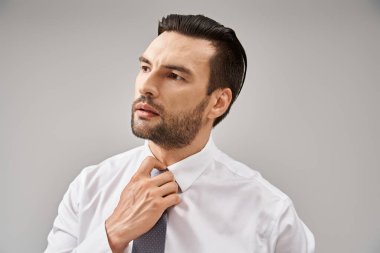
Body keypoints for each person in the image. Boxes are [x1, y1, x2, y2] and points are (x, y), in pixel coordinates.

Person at [44, 14, 315, 253]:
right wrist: (113, 235)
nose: (146, 87)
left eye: (174, 75)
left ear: (218, 102)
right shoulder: (89, 187)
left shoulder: (270, 215)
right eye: (146, 67)